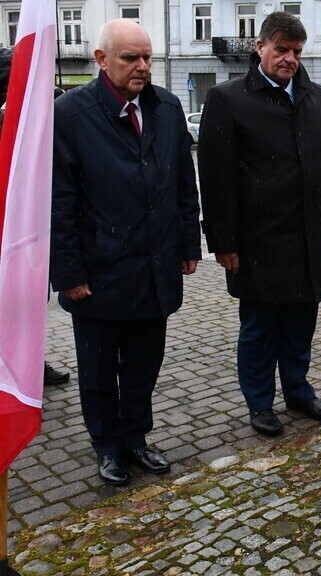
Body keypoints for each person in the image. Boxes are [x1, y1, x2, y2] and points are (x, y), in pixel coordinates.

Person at [50, 19, 201, 486]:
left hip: (154, 268)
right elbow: (59, 201)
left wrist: (188, 243)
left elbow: (182, 183)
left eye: (147, 57)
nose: (142, 67)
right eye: (130, 58)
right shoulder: (70, 115)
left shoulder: (167, 108)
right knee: (98, 371)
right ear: (101, 60)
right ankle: (107, 446)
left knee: (142, 364)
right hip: (97, 274)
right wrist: (69, 272)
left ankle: (136, 437)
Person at [198, 12, 321, 436]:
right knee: (260, 328)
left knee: (302, 321)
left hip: (309, 235)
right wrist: (223, 240)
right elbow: (216, 176)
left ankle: (298, 390)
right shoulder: (228, 99)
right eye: (281, 49)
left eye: (296, 51)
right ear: (259, 47)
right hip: (258, 240)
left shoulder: (318, 97)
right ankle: (259, 403)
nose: (289, 59)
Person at [0, 47, 71, 387]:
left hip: (31, 227)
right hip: (7, 224)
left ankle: (31, 363)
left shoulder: (39, 109)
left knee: (30, 301)